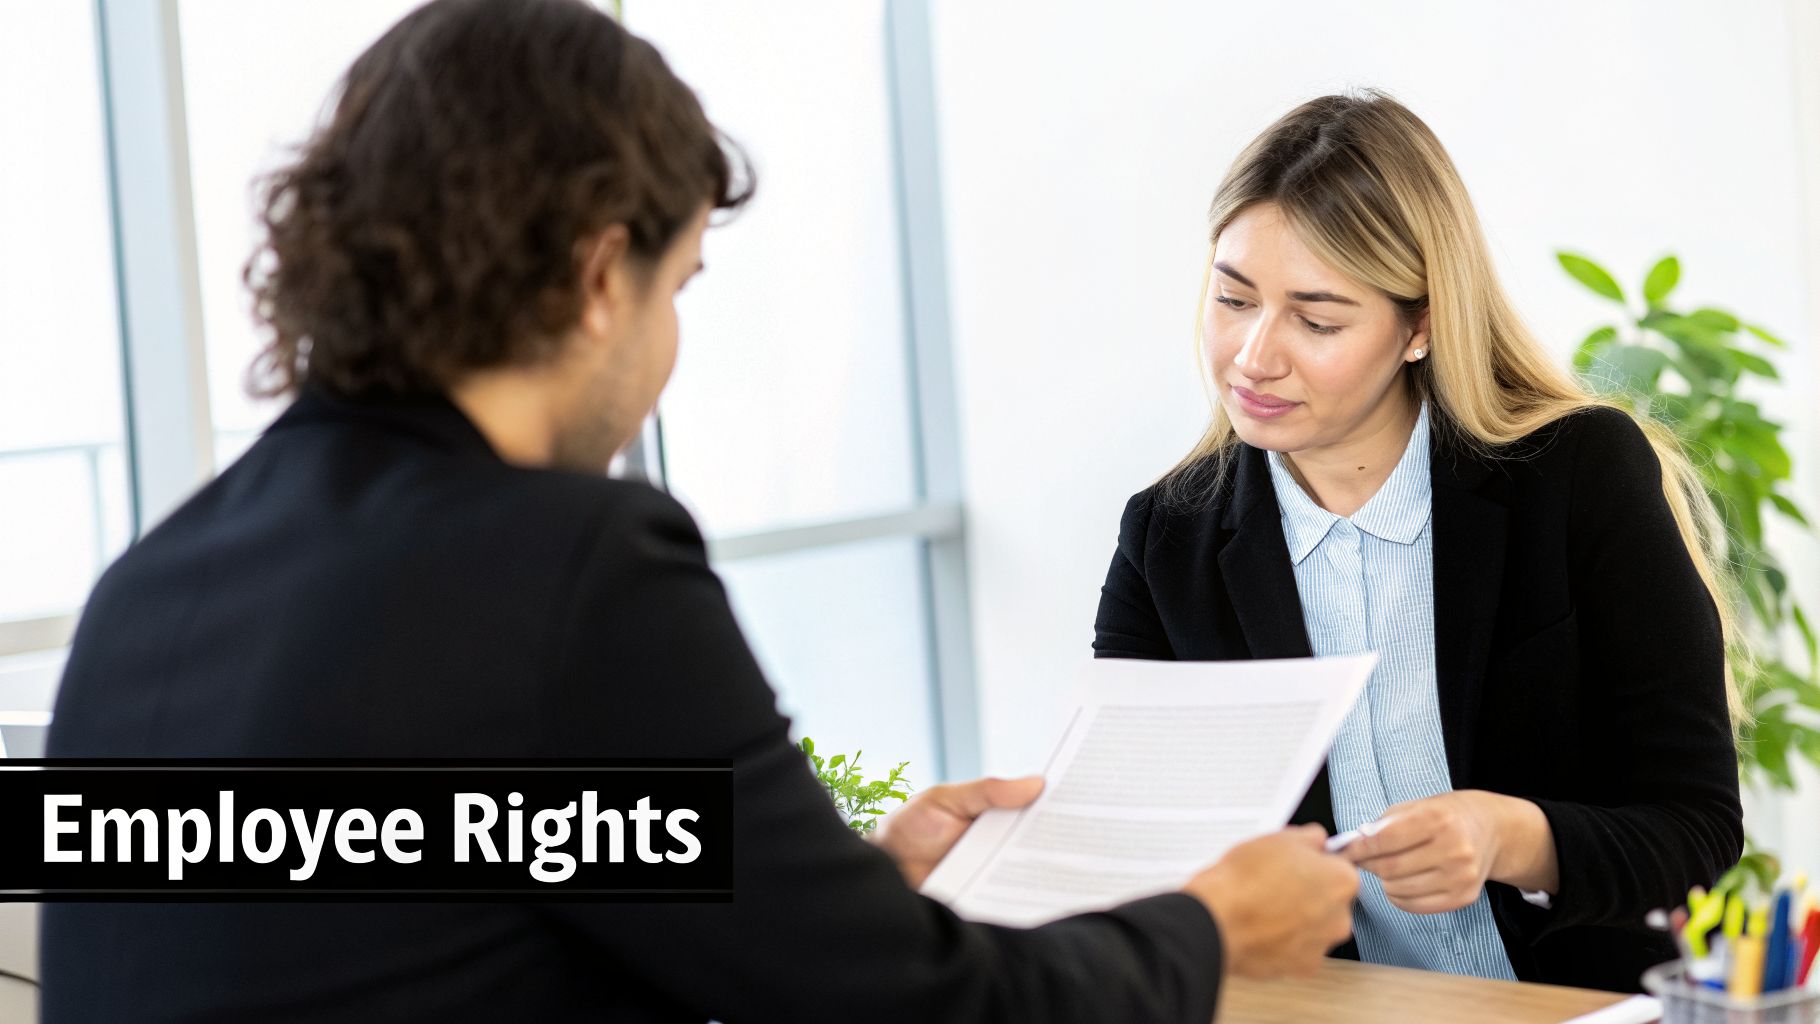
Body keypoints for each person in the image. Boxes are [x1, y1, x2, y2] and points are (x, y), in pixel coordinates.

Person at [40, 1, 1359, 1021]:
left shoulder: (159, 578)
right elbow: (921, 1013)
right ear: (599, 273)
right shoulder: (567, 565)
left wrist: (834, 886)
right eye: (680, 284)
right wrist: (1208, 927)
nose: (668, 344)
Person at [1093, 90, 1744, 994]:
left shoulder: (1578, 477)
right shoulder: (1168, 540)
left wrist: (1508, 836)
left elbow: (1694, 829)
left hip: (1571, 1006)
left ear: (1421, 325)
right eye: (1233, 298)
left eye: (1317, 320)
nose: (1253, 356)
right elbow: (1136, 845)